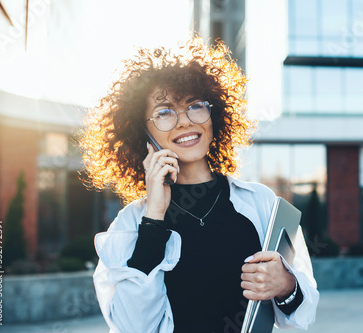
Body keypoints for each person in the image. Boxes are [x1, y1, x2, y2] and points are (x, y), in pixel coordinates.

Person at [79, 37, 319, 333]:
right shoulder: (130, 223)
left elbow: (305, 309)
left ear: (213, 115)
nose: (184, 121)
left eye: (195, 106)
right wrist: (153, 218)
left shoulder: (261, 203)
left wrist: (285, 284)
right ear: (142, 131)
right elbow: (132, 327)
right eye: (164, 112)